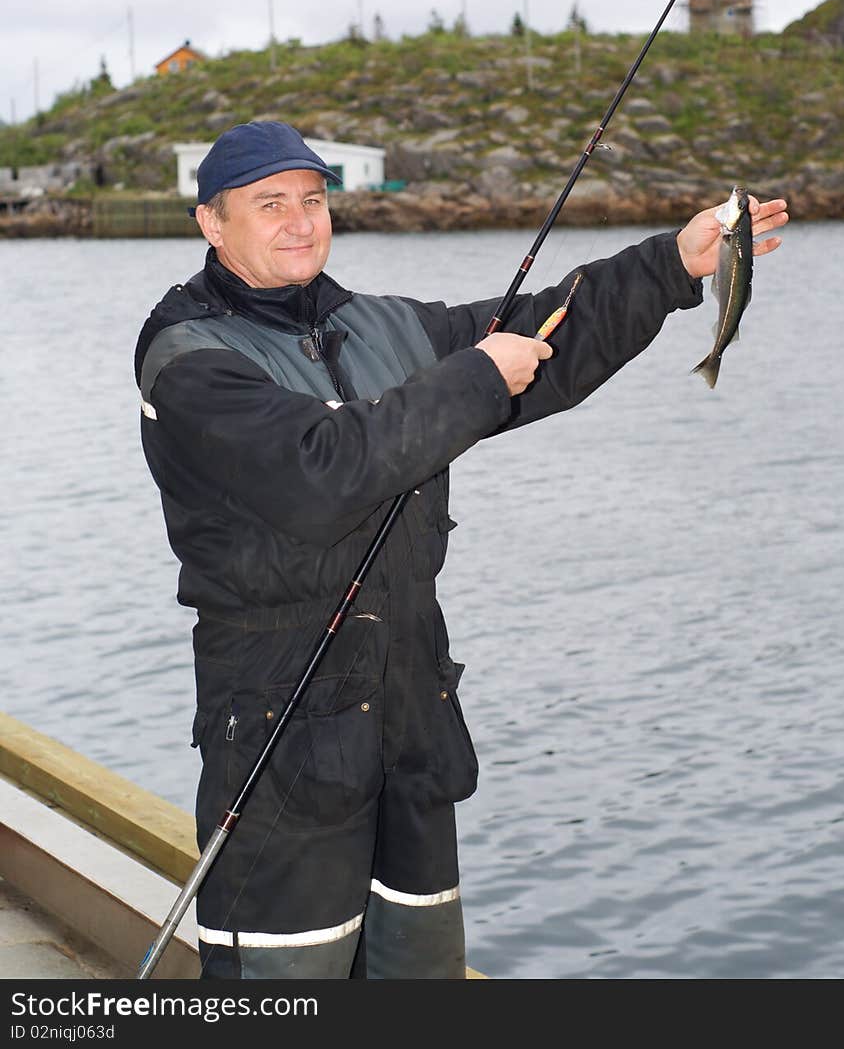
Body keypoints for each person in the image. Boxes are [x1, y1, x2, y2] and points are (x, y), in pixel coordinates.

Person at [134, 118, 788, 980]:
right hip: (279, 742)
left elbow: (540, 335)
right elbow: (320, 471)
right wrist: (478, 375)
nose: (300, 221)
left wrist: (673, 264)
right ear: (212, 224)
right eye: (269, 204)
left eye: (314, 199)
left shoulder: (384, 326)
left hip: (412, 727)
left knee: (421, 977)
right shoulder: (187, 356)